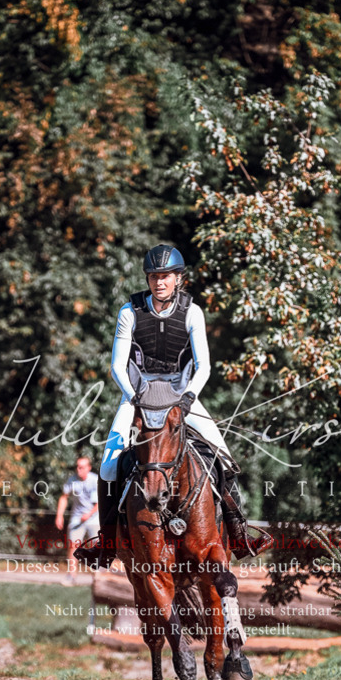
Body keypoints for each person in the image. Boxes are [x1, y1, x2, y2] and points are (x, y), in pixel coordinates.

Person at [74, 243, 267, 568]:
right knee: (108, 468)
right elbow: (118, 367)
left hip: (181, 397)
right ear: (148, 279)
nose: (159, 282)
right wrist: (134, 396)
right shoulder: (129, 311)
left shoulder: (192, 312)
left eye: (165, 276)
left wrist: (189, 397)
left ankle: (238, 534)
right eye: (153, 276)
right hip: (138, 397)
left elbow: (203, 365)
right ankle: (106, 545)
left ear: (178, 278)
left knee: (226, 459)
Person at [56, 455, 99, 561]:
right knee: (72, 545)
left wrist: (88, 515)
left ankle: (97, 575)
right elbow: (64, 497)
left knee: (96, 546)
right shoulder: (72, 480)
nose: (79, 469)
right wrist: (59, 515)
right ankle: (71, 575)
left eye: (82, 467)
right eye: (78, 467)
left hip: (94, 516)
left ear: (89, 467)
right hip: (77, 516)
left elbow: (100, 503)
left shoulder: (95, 480)